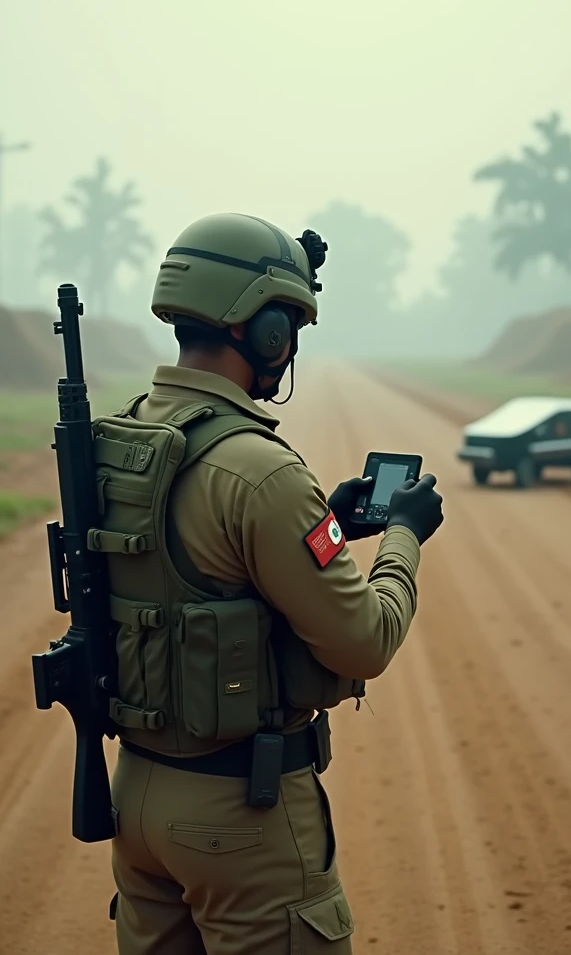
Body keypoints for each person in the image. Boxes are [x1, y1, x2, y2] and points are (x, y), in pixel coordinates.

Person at [106, 213, 444, 954]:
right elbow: (365, 641)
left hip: (137, 800)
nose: (288, 343)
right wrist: (404, 535)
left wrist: (322, 523)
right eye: (288, 322)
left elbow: (192, 567)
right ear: (259, 331)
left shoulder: (126, 437)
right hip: (240, 820)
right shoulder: (261, 470)